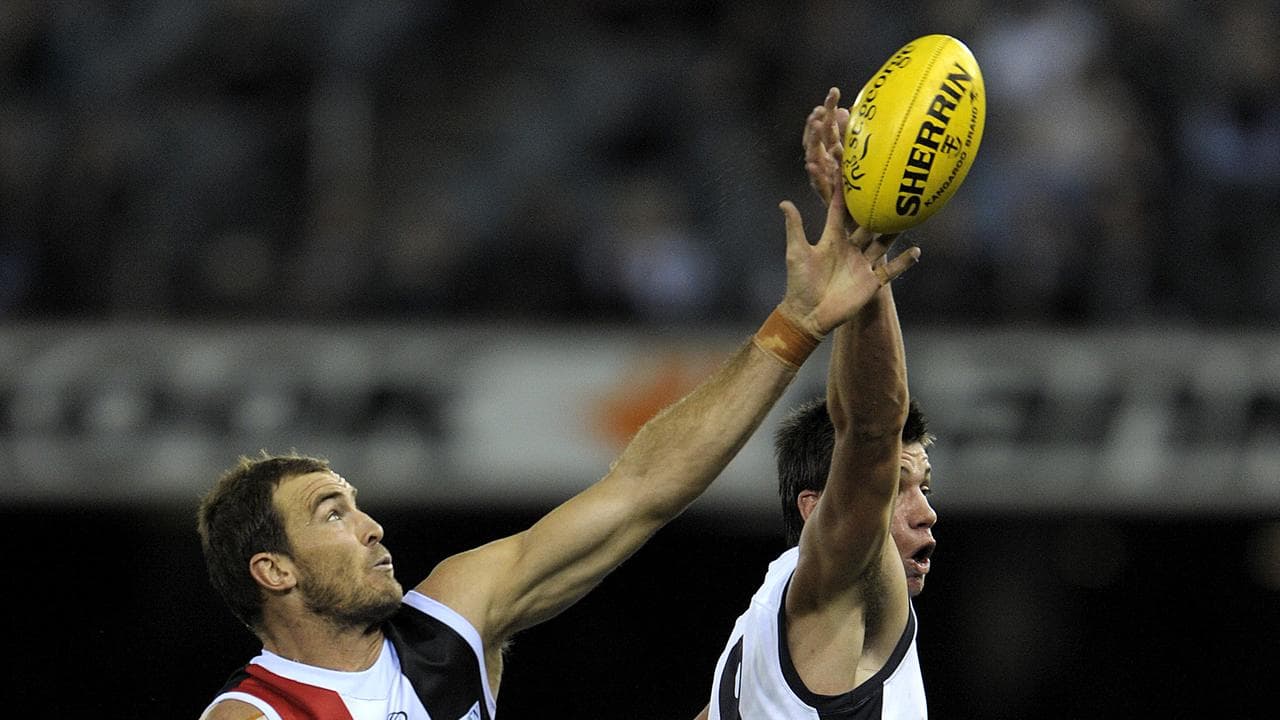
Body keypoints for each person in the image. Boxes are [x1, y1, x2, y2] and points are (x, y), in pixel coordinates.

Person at [195, 157, 921, 718]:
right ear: (275, 571)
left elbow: (640, 489)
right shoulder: (256, 712)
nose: (370, 526)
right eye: (331, 513)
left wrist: (795, 325)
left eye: (353, 504)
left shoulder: (447, 624)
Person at [696, 86, 938, 719]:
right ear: (817, 508)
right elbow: (869, 427)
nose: (927, 514)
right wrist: (862, 231)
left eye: (923, 486)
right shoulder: (840, 585)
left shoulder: (747, 646)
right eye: (901, 486)